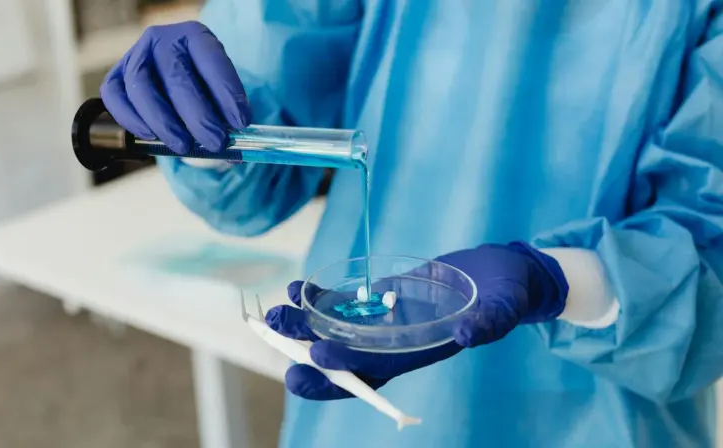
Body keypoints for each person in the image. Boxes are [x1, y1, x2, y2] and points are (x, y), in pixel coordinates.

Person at [100, 0, 723, 446]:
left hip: (600, 415)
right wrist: (193, 119)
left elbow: (710, 253)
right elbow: (252, 172)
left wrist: (558, 281)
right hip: (359, 405)